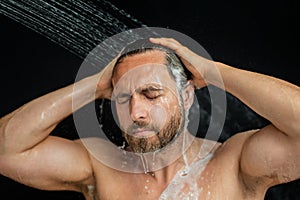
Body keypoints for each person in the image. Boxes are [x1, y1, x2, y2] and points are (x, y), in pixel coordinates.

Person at [0, 37, 299, 200]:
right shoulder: (99, 168)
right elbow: (6, 149)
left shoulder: (236, 164)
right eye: (122, 98)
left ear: (186, 96)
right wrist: (93, 86)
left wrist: (213, 72)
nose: (135, 113)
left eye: (152, 94)